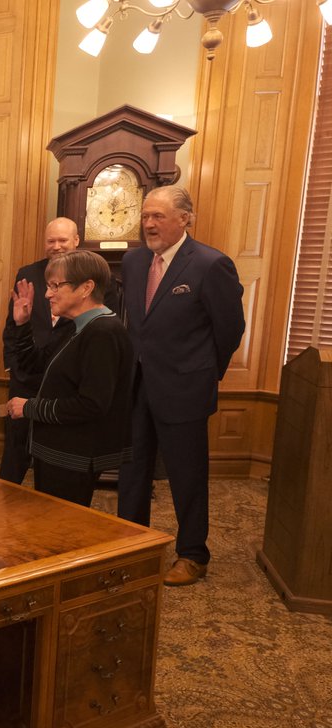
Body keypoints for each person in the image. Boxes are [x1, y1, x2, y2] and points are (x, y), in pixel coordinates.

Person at [117, 186, 246, 587]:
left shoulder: (211, 264)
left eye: (158, 216)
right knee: (132, 471)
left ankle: (193, 555)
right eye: (145, 216)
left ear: (184, 219)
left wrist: (204, 372)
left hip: (185, 390)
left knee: (187, 476)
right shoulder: (135, 260)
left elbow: (230, 329)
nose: (149, 224)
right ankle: (132, 545)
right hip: (137, 386)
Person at [5, 251, 133, 507]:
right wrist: (23, 325)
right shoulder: (74, 325)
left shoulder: (103, 333)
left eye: (55, 286)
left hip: (73, 456)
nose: (47, 294)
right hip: (57, 452)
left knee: (61, 532)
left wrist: (30, 407)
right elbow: (35, 366)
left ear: (86, 287)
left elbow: (91, 404)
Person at [0, 218, 79, 484]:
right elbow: (13, 324)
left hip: (65, 383)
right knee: (15, 449)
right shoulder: (28, 274)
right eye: (51, 241)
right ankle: (4, 504)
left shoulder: (91, 277)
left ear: (76, 241)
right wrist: (12, 364)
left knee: (53, 455)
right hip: (26, 376)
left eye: (62, 240)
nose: (56, 246)